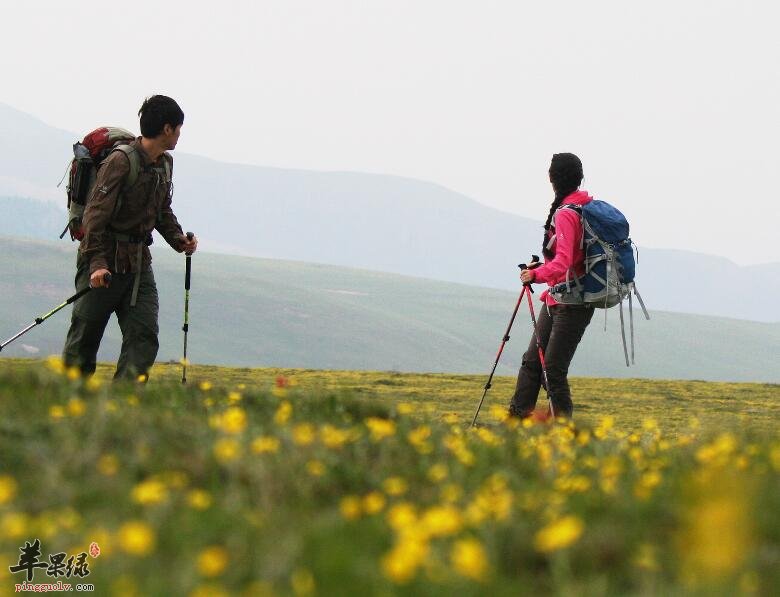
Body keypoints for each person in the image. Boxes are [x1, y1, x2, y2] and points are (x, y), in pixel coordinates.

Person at [62, 95, 198, 380]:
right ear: (167, 128)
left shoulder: (164, 164)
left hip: (138, 267)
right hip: (102, 264)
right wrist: (97, 264)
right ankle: (71, 407)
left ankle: (124, 409)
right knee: (83, 344)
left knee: (144, 337)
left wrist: (178, 240)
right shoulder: (120, 162)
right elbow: (94, 218)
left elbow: (161, 209)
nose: (180, 135)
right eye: (179, 128)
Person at [508, 153, 594, 419]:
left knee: (553, 369)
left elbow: (565, 262)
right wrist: (542, 271)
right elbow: (566, 259)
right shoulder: (577, 207)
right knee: (533, 361)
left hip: (572, 303)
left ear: (551, 178)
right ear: (579, 177)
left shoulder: (568, 213)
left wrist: (535, 276)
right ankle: (517, 423)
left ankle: (563, 433)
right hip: (558, 298)